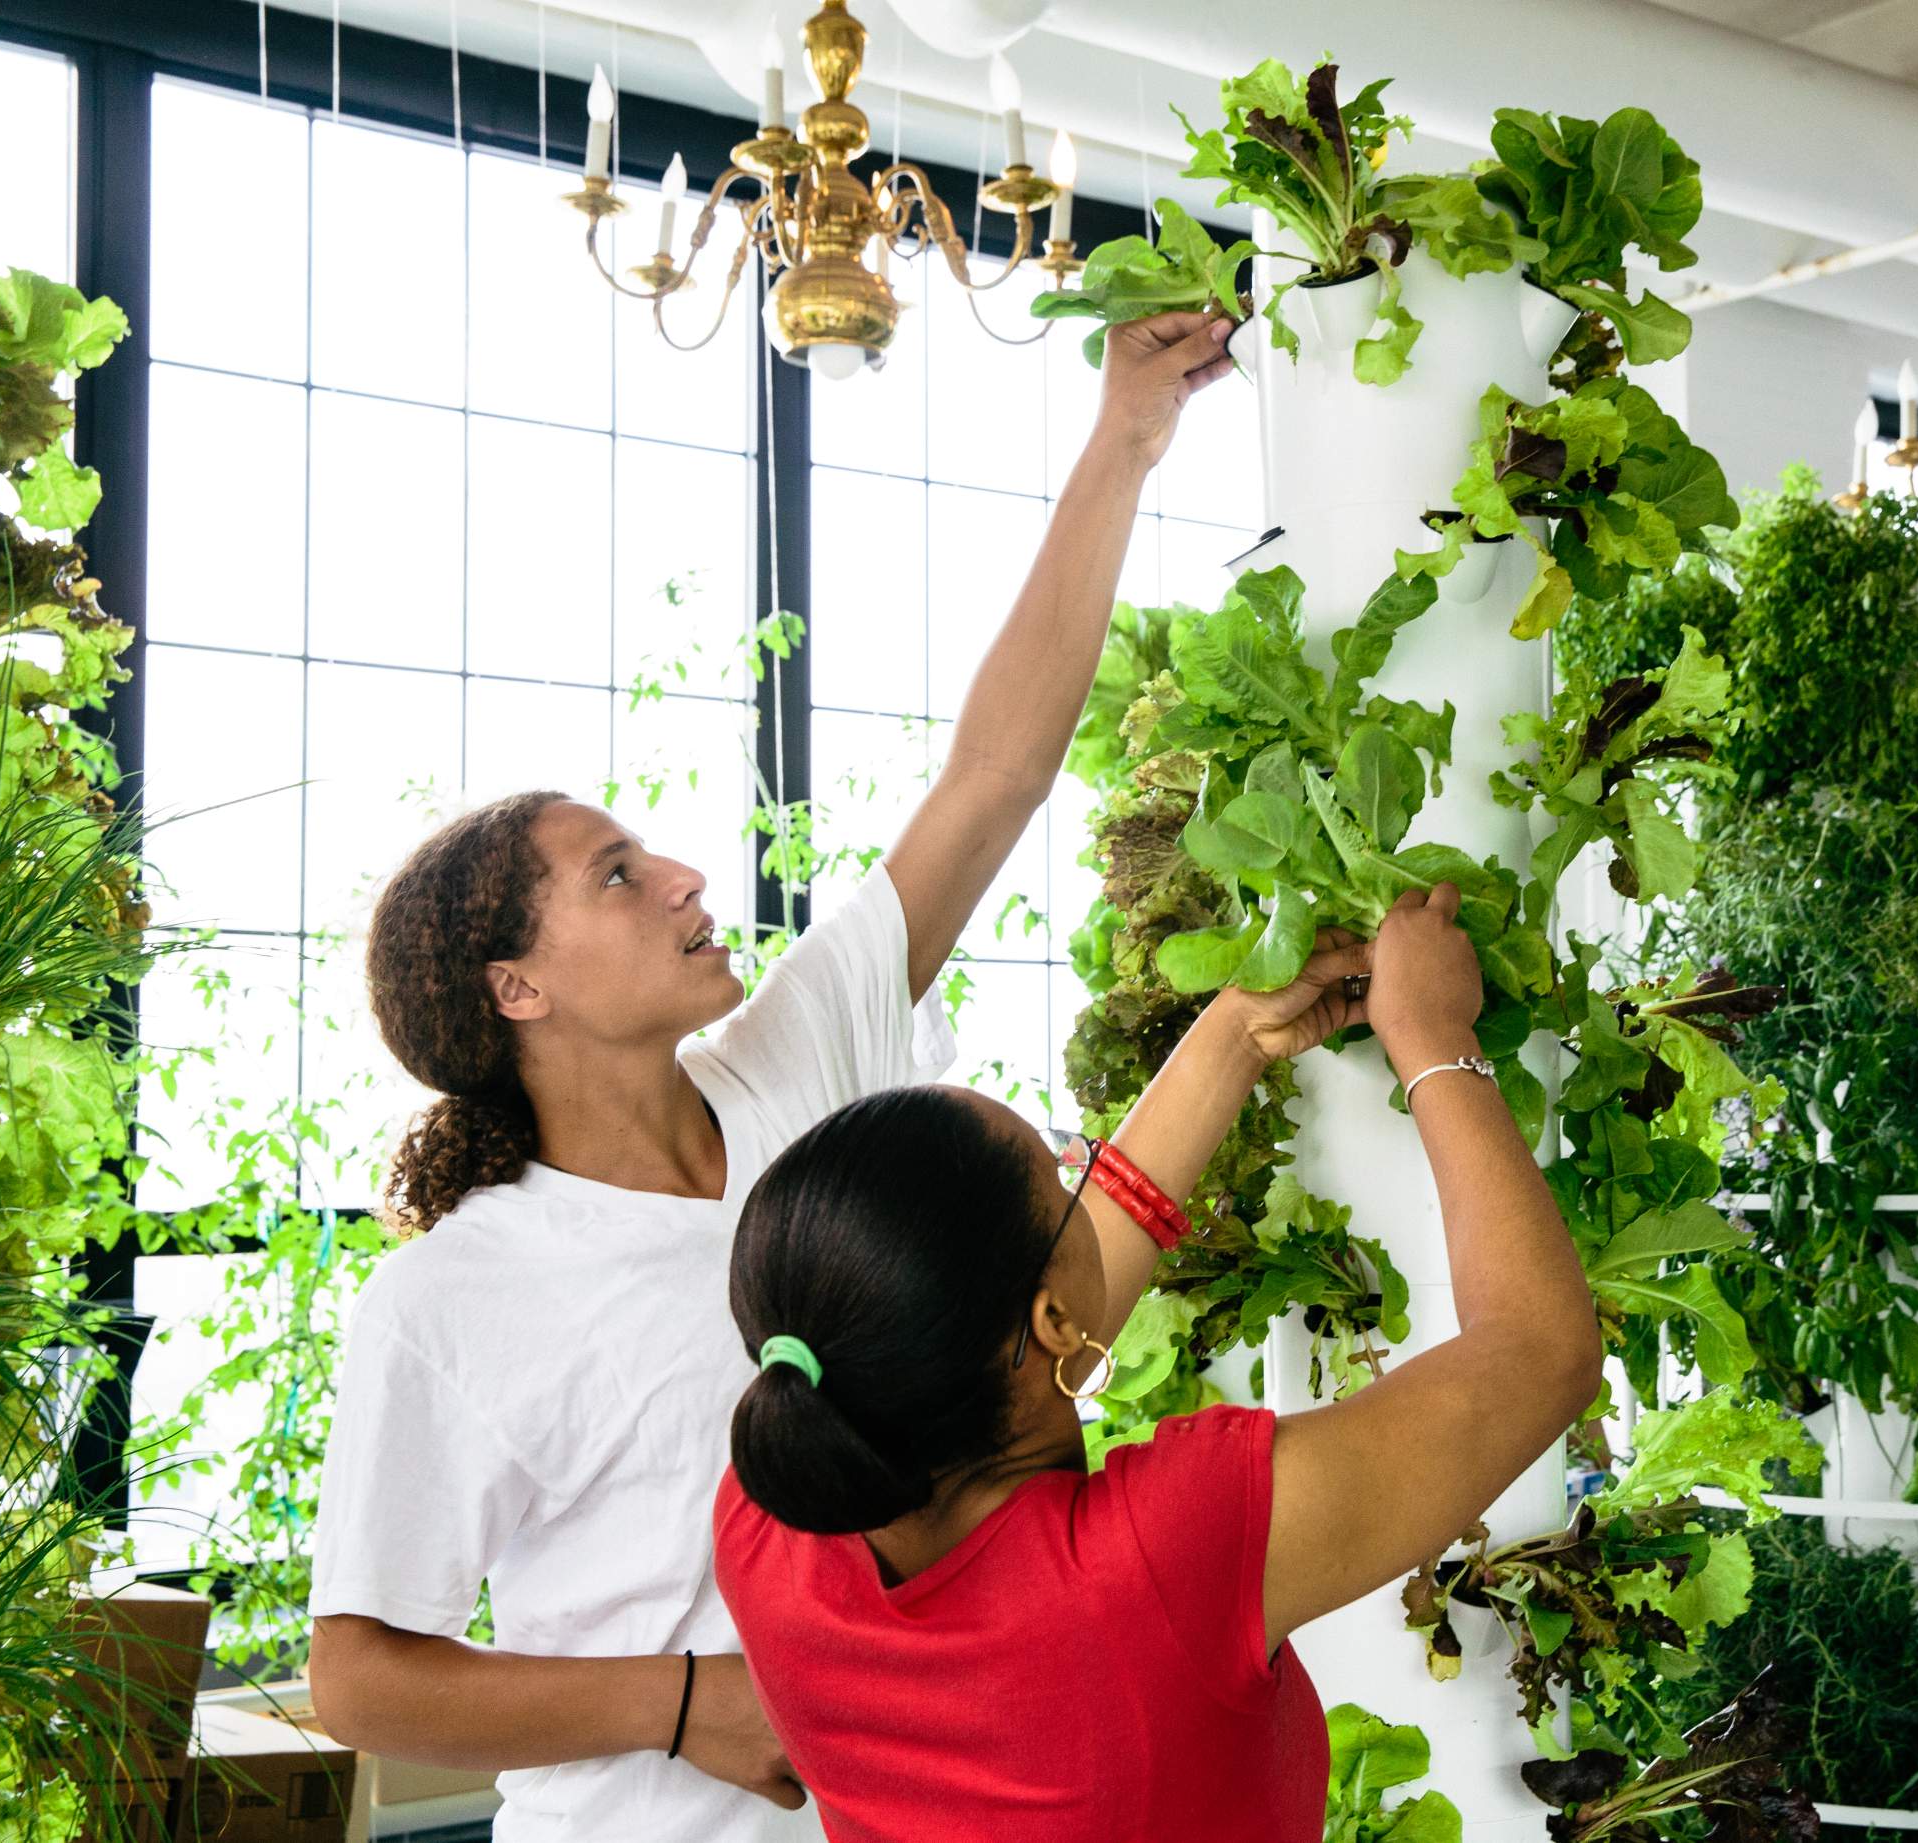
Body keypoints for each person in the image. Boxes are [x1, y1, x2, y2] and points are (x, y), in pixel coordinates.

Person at [301, 310, 1241, 1843]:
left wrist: (1125, 439)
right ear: (514, 986)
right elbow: (359, 1676)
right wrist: (679, 1700)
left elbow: (994, 777)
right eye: (616, 874)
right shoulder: (446, 1299)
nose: (681, 875)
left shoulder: (793, 1055)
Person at [711, 883, 1605, 1841]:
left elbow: (1050, 1286)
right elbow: (1539, 1352)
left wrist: (1234, 1035)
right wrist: (1434, 1039)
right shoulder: (1159, 1558)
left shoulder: (771, 1517)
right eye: (1062, 1178)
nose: (1079, 1181)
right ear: (1051, 1321)